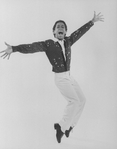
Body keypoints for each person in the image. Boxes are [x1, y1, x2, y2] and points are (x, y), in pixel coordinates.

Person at [0, 11, 104, 143]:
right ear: (54, 32)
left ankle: (70, 126)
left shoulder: (68, 41)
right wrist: (14, 49)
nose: (60, 28)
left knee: (82, 100)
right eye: (58, 27)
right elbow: (31, 47)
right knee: (74, 101)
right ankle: (61, 126)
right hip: (60, 78)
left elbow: (79, 33)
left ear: (65, 32)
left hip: (69, 76)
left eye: (62, 27)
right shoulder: (48, 44)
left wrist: (92, 22)